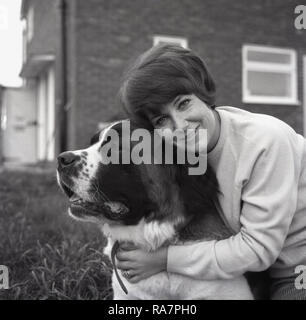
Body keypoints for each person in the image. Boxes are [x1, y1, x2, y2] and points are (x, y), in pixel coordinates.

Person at [115, 43, 306, 299]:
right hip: (251, 269)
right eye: (161, 120)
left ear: (203, 93)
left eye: (183, 104)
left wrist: (165, 259)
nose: (180, 126)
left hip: (294, 270)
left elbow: (258, 249)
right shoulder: (177, 153)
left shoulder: (265, 141)